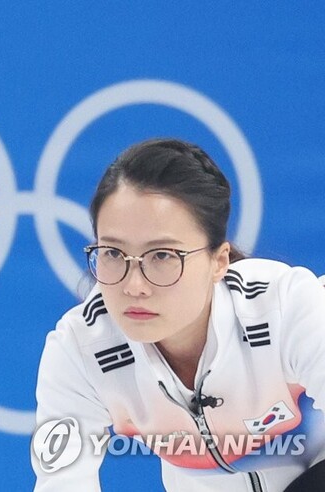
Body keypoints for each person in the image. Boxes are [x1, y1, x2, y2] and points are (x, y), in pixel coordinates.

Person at [32, 138, 325, 491]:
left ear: (219, 262)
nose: (134, 285)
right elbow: (62, 482)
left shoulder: (287, 307)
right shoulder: (80, 349)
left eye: (162, 256)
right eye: (112, 253)